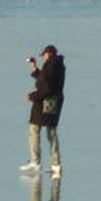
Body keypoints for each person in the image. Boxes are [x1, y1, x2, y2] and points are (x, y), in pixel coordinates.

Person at [21, 44, 65, 177]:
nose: (43, 57)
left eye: (44, 55)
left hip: (45, 103)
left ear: (49, 53)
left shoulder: (51, 66)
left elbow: (46, 88)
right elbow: (45, 80)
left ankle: (35, 162)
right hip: (54, 102)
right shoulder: (56, 65)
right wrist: (35, 69)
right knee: (51, 132)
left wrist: (32, 96)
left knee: (34, 129)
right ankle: (56, 165)